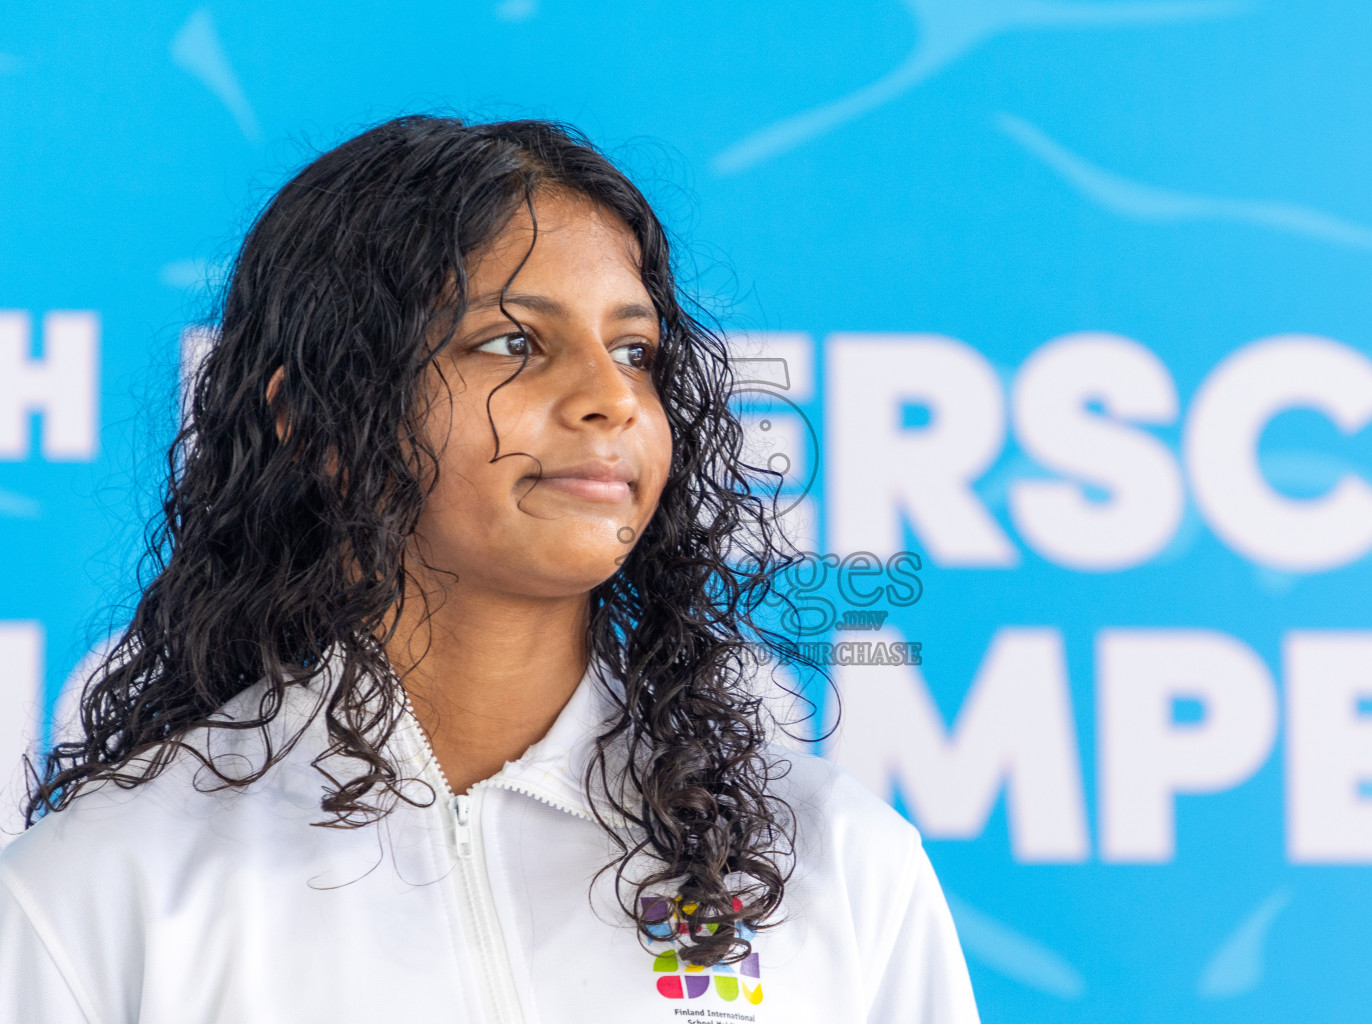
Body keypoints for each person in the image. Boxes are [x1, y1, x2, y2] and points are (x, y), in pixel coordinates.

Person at [0, 116, 979, 1023]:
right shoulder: (102, 891)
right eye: (513, 341)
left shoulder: (834, 862)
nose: (609, 397)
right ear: (319, 421)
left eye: (634, 349)